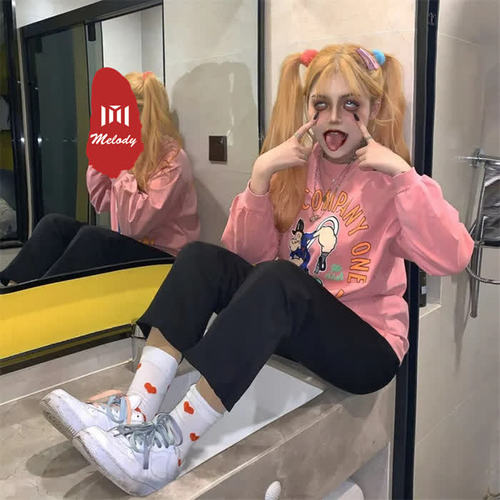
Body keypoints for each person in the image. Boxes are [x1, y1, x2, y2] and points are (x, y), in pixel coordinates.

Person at [40, 45, 474, 496]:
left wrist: (403, 174)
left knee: (281, 279)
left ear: (374, 108)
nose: (333, 118)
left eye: (350, 104)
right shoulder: (297, 168)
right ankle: (137, 407)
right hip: (299, 330)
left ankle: (171, 443)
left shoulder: (393, 182)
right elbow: (244, 258)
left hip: (366, 347)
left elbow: (454, 256)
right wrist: (262, 175)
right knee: (201, 258)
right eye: (321, 103)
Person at [0, 71, 199, 286]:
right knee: (54, 224)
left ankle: (46, 294)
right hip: (132, 247)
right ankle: (13, 287)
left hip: (164, 260)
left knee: (93, 239)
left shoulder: (172, 160)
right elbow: (101, 201)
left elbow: (134, 226)